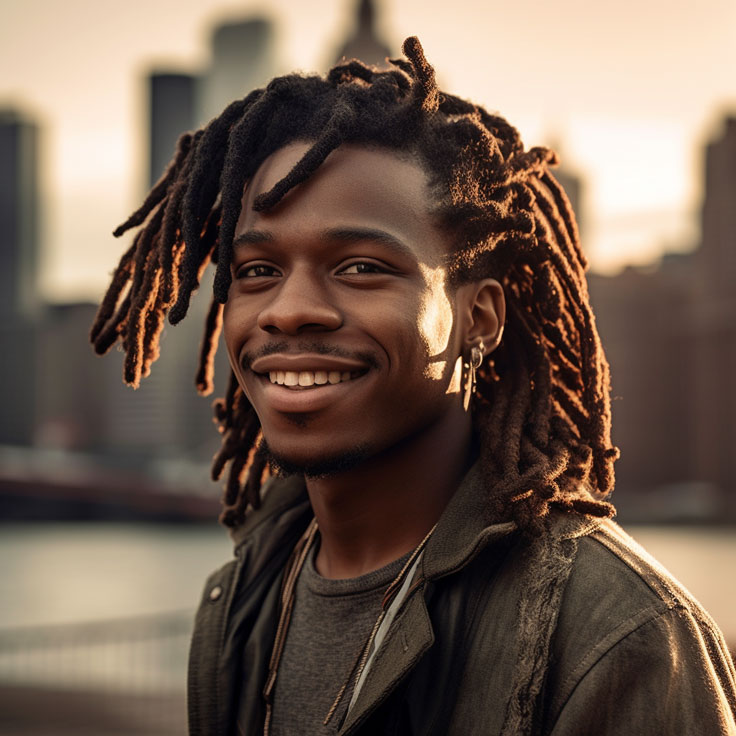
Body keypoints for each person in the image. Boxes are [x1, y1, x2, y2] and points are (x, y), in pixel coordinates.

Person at [91, 37, 736, 735]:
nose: (288, 309)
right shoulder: (241, 605)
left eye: (362, 267)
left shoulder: (620, 638)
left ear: (478, 317)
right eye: (256, 272)